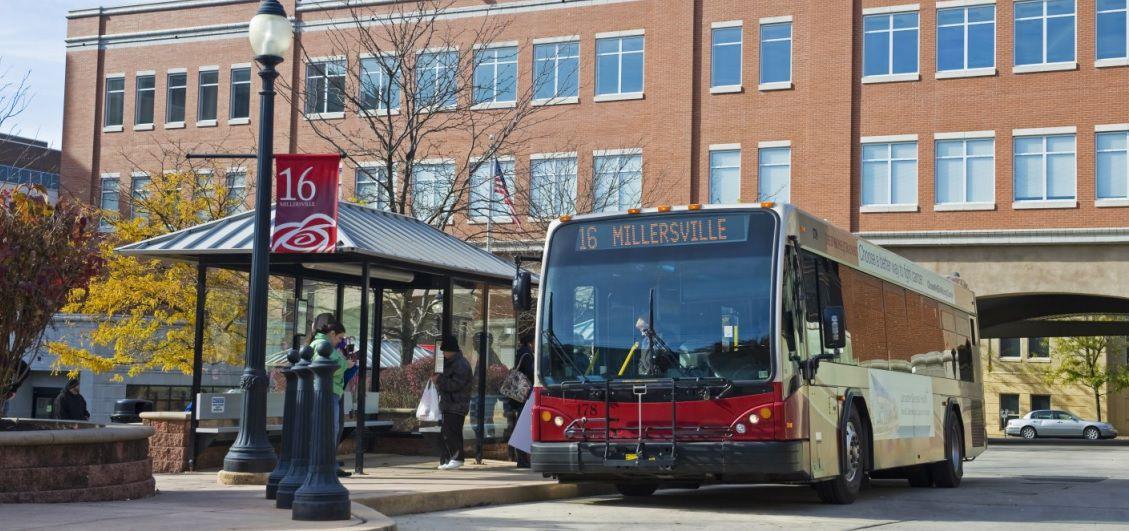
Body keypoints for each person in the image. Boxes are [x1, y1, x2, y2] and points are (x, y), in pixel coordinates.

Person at [307, 313, 352, 478]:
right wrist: (345, 364)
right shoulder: (321, 345)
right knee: (329, 429)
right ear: (331, 333)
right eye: (340, 337)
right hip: (327, 392)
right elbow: (328, 366)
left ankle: (327, 463)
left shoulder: (319, 344)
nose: (341, 341)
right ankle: (325, 464)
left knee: (331, 429)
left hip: (329, 392)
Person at [432, 335, 472, 470]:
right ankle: (451, 458)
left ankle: (457, 458)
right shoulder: (452, 362)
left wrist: (439, 380)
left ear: (451, 350)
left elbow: (455, 385)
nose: (443, 353)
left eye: (445, 351)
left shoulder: (461, 364)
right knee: (448, 432)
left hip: (456, 404)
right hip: (450, 404)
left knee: (452, 432)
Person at [505, 334, 535, 468]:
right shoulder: (528, 354)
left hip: (518, 396)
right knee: (522, 425)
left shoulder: (521, 352)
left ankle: (520, 458)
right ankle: (522, 460)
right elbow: (530, 373)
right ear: (531, 341)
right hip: (524, 395)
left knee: (518, 424)